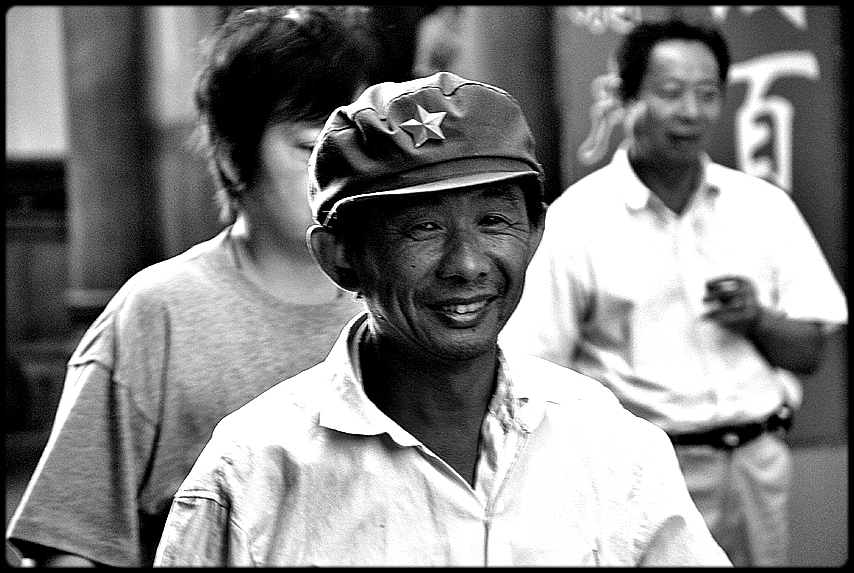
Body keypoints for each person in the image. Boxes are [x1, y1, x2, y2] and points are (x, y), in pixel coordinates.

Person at [153, 71, 730, 567]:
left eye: (495, 222)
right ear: (340, 258)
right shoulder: (253, 473)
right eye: (422, 228)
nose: (467, 264)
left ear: (534, 235)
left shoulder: (611, 448)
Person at [5, 6, 403, 567]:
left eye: (356, 142)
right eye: (310, 145)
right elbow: (68, 543)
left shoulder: (401, 301)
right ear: (233, 152)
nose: (341, 169)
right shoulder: (158, 313)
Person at [500, 19, 848, 567]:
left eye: (707, 95)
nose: (691, 112)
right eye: (670, 93)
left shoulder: (763, 207)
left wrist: (757, 319)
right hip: (641, 471)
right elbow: (535, 373)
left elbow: (810, 352)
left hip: (757, 465)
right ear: (625, 98)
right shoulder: (575, 221)